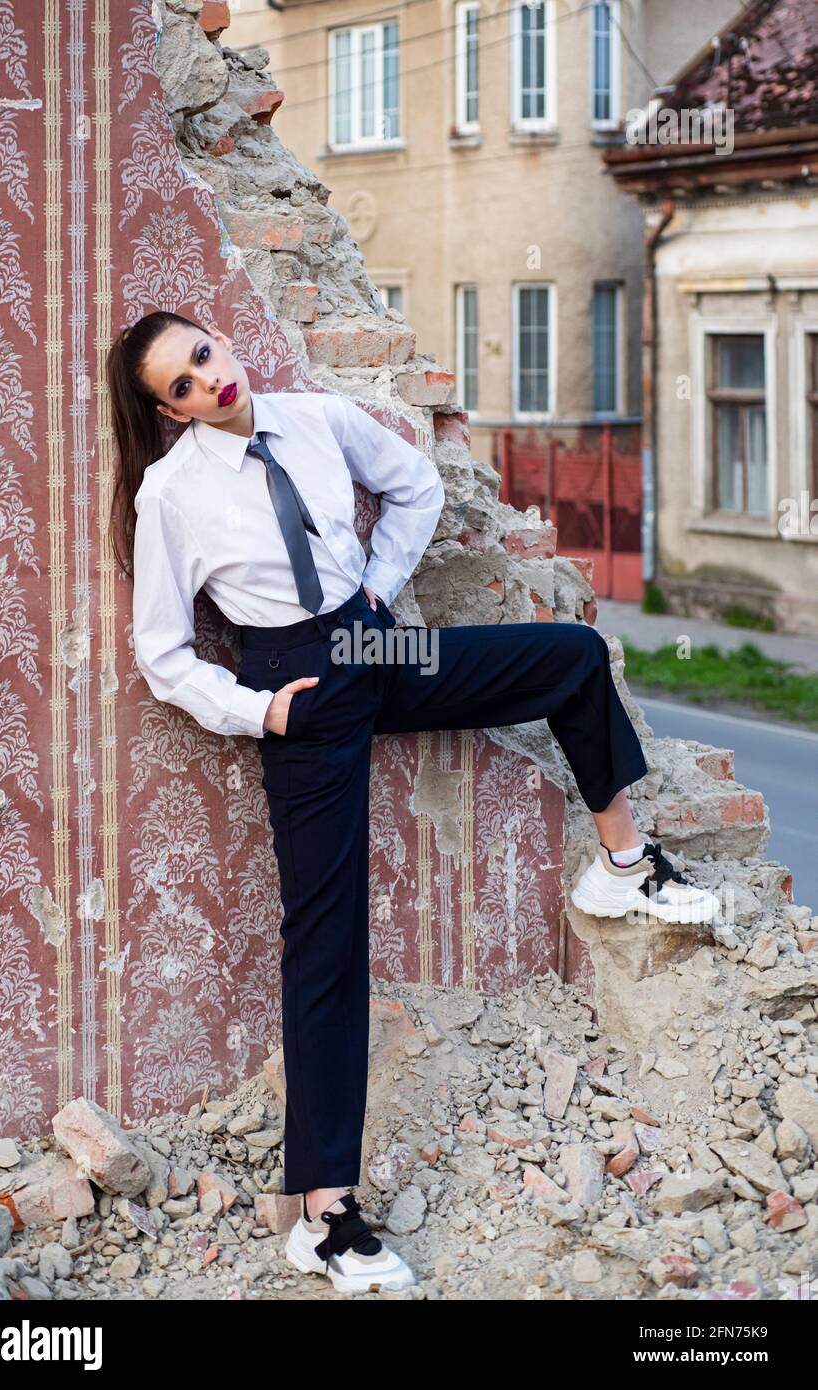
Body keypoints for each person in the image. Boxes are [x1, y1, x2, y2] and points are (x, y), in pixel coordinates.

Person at [108, 310, 720, 1295]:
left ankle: (623, 865)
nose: (207, 381)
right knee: (327, 941)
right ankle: (325, 1213)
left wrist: (382, 591)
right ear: (165, 410)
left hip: (370, 644)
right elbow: (162, 652)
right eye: (180, 384)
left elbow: (415, 485)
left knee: (567, 658)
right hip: (296, 688)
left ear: (222, 339)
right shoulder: (170, 492)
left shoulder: (316, 417)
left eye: (204, 354)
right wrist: (257, 708)